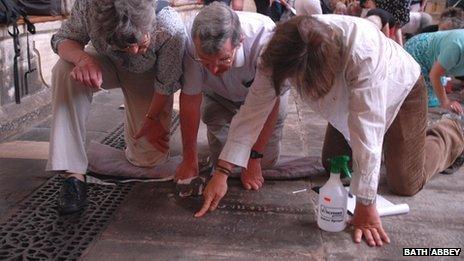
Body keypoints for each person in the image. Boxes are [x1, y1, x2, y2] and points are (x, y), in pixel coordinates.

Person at [194, 15, 464, 247]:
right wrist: (223, 172)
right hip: (344, 108)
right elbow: (253, 111)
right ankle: (399, 146)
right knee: (332, 164)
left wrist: (365, 204)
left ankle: (451, 132)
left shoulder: (363, 52)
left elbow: (366, 132)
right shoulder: (277, 49)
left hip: (401, 90)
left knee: (405, 182)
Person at [46, 0, 185, 214]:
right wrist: (82, 59)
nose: (134, 51)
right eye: (126, 47)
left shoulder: (170, 25)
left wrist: (152, 120)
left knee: (147, 159)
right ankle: (72, 172)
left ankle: (131, 143)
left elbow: (166, 84)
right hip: (105, 62)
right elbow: (64, 39)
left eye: (141, 43)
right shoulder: (89, 6)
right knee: (64, 70)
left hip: (147, 74)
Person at [176, 2, 288, 192]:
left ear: (240, 41)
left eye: (223, 59)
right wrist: (189, 159)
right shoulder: (190, 40)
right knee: (227, 159)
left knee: (266, 162)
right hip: (219, 95)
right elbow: (190, 100)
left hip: (264, 101)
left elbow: (270, 102)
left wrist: (254, 157)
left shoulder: (266, 38)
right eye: (205, 62)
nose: (214, 70)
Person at [405, 29, 464, 113]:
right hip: (416, 54)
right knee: (428, 100)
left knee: (439, 88)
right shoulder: (455, 47)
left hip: (434, 58)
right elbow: (434, 75)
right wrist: (446, 102)